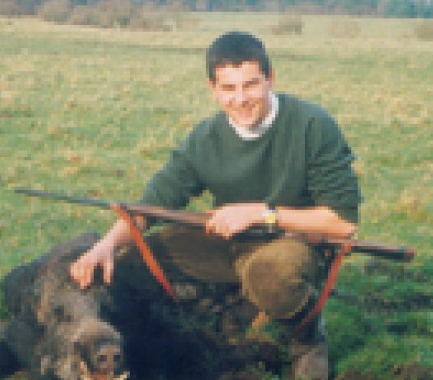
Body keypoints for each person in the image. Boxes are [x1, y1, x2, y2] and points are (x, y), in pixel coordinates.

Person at [70, 31, 361, 379]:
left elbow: (343, 223)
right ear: (213, 88)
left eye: (251, 85)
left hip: (294, 243)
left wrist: (261, 213)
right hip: (226, 242)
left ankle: (308, 339)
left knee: (269, 274)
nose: (240, 99)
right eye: (228, 88)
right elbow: (151, 204)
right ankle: (187, 325)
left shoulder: (312, 124)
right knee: (130, 265)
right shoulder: (204, 137)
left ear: (270, 78)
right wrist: (105, 246)